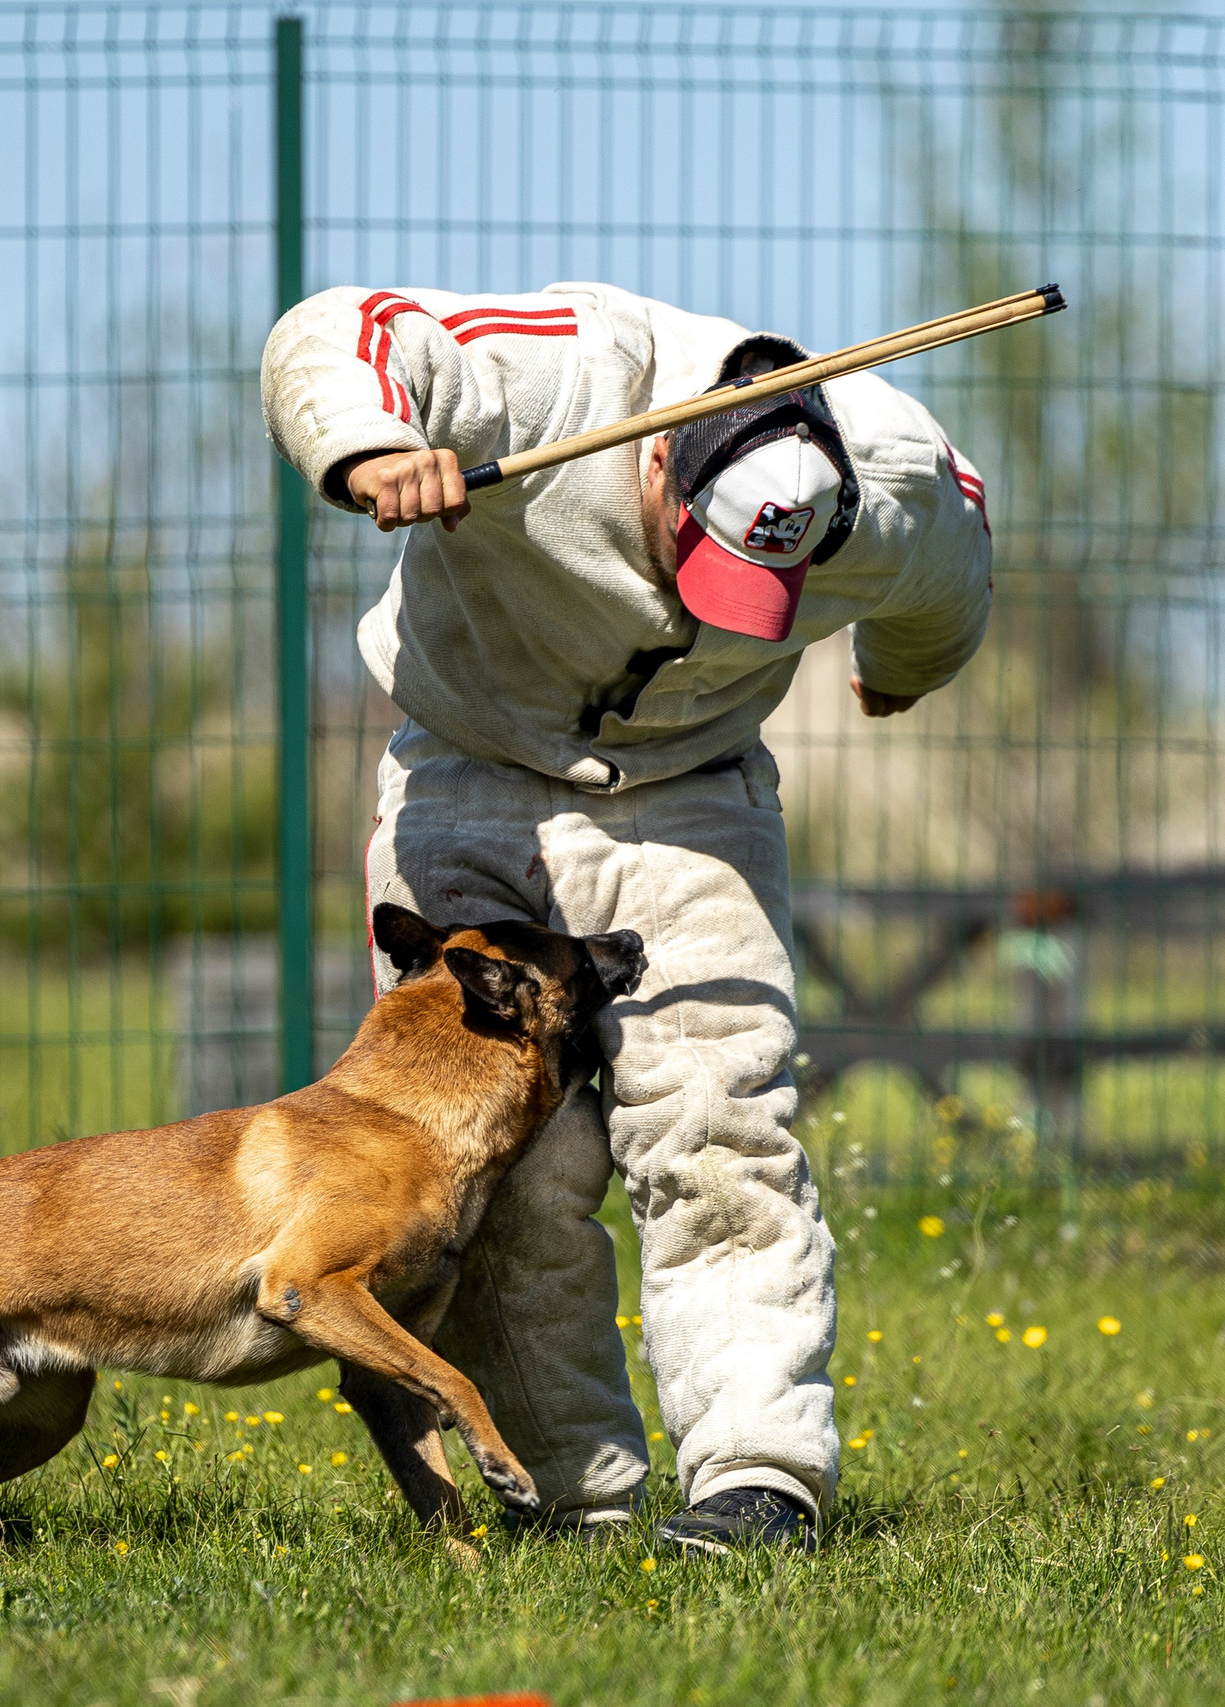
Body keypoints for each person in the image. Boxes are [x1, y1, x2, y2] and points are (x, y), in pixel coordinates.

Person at [261, 281, 992, 1553]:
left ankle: (758, 1480)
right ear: (659, 461)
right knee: (496, 1160)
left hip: (693, 795)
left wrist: (898, 673)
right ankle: (568, 1497)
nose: (712, 606)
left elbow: (955, 578)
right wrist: (368, 444)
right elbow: (340, 331)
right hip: (470, 769)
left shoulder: (894, 488)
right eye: (700, 560)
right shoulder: (561, 378)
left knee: (718, 1131)